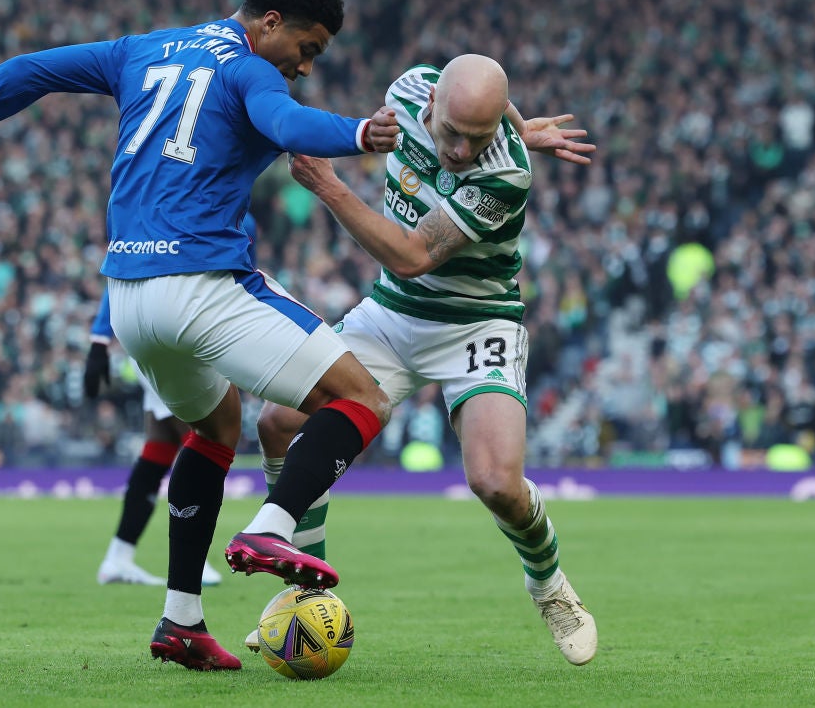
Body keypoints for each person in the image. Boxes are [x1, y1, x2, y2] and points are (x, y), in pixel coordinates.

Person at [0, 0, 399, 672]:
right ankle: (273, 528)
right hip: (202, 282)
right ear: (269, 23)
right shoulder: (250, 71)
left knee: (215, 429)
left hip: (131, 299)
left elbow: (29, 70)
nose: (304, 65)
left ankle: (181, 619)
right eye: (309, 48)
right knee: (362, 396)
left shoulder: (141, 49)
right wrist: (360, 131)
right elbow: (287, 121)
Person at [253, 55, 599, 666]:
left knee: (495, 483)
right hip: (392, 314)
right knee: (279, 423)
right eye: (453, 133)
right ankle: (301, 596)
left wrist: (331, 186)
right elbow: (405, 274)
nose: (463, 152)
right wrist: (514, 122)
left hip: (475, 323)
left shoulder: (506, 177)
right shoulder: (408, 87)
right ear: (431, 103)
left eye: (481, 136)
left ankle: (548, 584)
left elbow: (413, 255)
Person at [87, 288, 222, 588]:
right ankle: (193, 560)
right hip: (162, 337)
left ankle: (118, 556)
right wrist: (98, 338)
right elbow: (119, 269)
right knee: (202, 440)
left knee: (161, 445)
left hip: (155, 334)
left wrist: (99, 339)